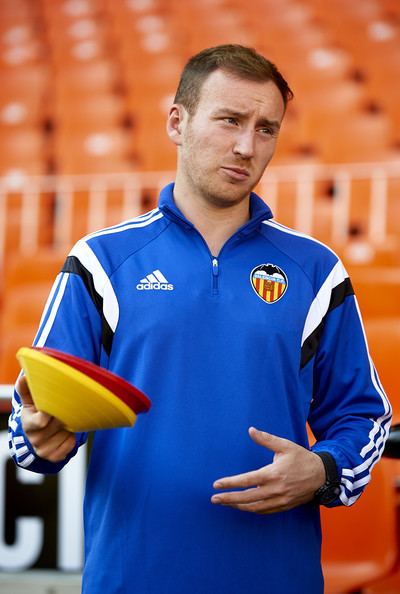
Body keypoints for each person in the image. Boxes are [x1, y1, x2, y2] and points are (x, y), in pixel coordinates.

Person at [9, 45, 391, 594]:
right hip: (132, 577)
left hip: (276, 578)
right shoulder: (101, 261)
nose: (246, 146)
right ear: (177, 122)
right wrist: (38, 438)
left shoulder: (316, 271)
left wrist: (325, 470)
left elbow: (363, 414)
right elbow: (36, 419)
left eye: (266, 129)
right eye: (230, 120)